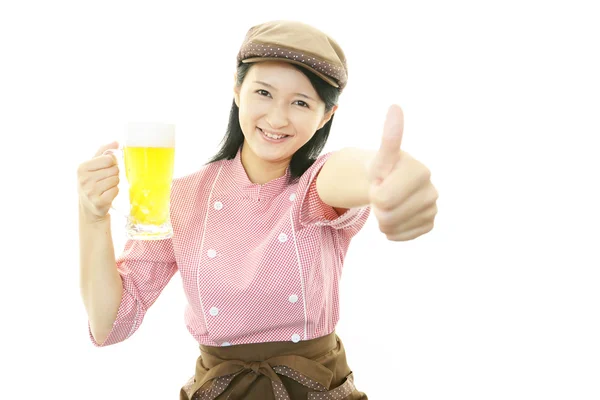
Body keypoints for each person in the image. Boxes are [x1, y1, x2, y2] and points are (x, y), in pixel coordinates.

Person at [77, 20, 438, 400]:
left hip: (314, 388)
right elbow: (109, 323)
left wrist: (386, 178)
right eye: (263, 92)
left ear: (326, 116)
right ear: (237, 90)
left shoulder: (313, 188)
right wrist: (92, 216)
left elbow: (348, 171)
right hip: (219, 391)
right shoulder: (182, 198)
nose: (278, 118)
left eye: (301, 102)